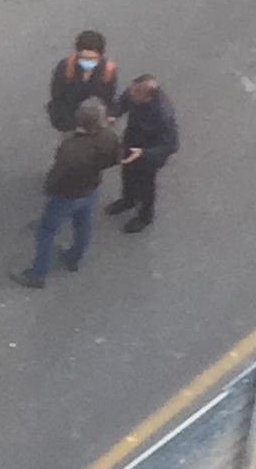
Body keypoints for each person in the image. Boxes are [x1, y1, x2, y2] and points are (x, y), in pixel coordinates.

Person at [11, 97, 123, 288]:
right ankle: (73, 257)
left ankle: (37, 274)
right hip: (90, 188)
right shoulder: (109, 137)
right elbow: (115, 159)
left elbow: (58, 175)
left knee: (46, 231)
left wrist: (48, 188)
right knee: (83, 224)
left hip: (66, 195)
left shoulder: (71, 147)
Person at [108, 74, 180, 234]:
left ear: (147, 97)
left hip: (148, 155)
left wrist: (144, 153)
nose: (130, 94)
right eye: (131, 90)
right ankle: (128, 200)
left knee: (146, 186)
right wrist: (114, 113)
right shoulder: (134, 93)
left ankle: (145, 216)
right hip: (132, 142)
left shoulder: (162, 115)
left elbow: (171, 145)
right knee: (127, 173)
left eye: (135, 93)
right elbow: (123, 102)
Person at [46, 31, 117, 135]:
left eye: (92, 59)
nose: (87, 62)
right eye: (83, 58)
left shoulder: (107, 71)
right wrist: (70, 126)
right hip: (69, 122)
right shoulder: (65, 68)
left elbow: (109, 99)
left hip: (97, 125)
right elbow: (57, 97)